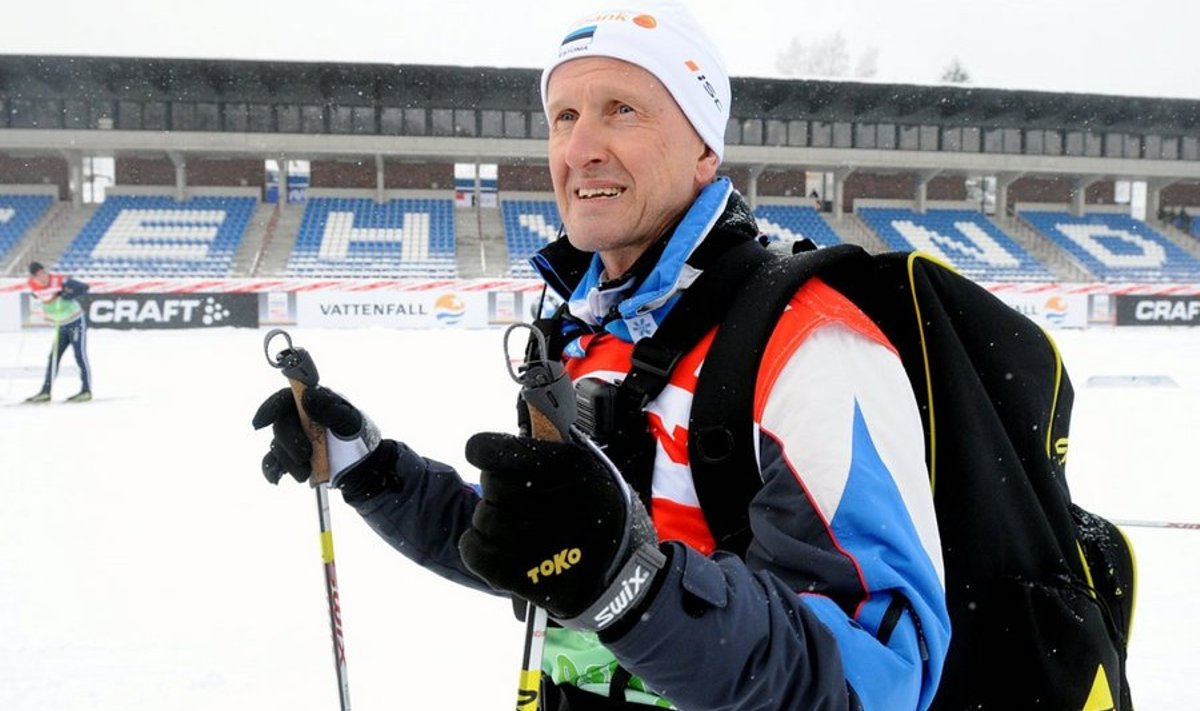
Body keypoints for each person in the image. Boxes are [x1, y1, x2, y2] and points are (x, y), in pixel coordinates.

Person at [253, 4, 950, 709]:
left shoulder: (810, 343)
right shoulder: (577, 334)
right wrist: (370, 470)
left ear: (705, 148)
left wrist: (635, 589)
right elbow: (535, 549)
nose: (580, 147)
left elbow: (885, 671)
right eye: (563, 116)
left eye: (621, 110)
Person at [25, 261, 92, 403]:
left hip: (75, 322)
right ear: (34, 277)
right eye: (38, 275)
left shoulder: (60, 280)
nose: (43, 276)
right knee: (53, 357)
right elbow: (43, 298)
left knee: (80, 355)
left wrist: (69, 293)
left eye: (43, 272)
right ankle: (45, 392)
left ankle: (86, 390)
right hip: (60, 325)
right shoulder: (33, 286)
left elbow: (84, 287)